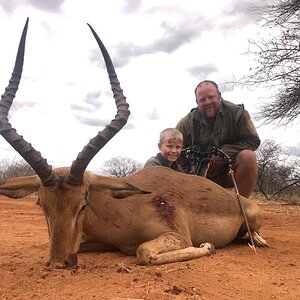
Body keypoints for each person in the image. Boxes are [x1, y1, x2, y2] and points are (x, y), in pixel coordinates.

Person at [176, 80, 260, 198]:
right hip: (198, 176)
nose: (207, 102)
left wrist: (223, 153)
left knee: (248, 156)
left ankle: (242, 207)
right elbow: (175, 152)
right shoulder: (186, 123)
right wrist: (189, 172)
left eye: (211, 97)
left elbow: (253, 140)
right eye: (202, 100)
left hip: (230, 172)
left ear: (219, 96)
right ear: (197, 102)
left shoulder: (238, 114)